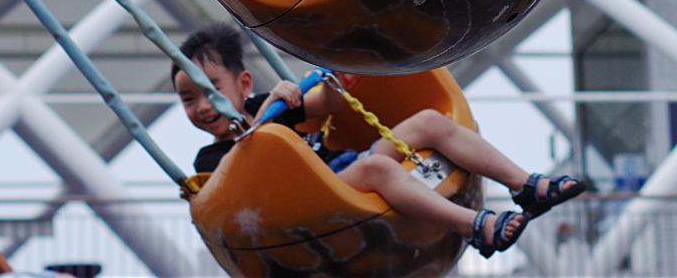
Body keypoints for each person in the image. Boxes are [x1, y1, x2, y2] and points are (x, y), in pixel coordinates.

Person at [172, 25, 586, 257]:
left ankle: (525, 186)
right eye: (188, 99)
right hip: (311, 202)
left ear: (243, 83)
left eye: (211, 90)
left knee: (427, 122)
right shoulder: (211, 155)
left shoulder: (269, 104)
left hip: (342, 170)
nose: (202, 107)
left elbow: (330, 105)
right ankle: (476, 228)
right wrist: (265, 118)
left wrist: (335, 77)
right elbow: (248, 164)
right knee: (377, 167)